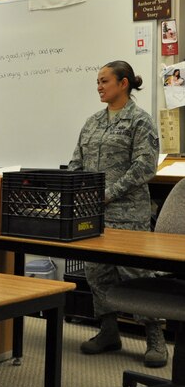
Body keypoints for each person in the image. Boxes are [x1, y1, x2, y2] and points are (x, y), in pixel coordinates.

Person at [69, 60, 165, 367]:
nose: (99, 86)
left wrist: (109, 193)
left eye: (104, 81)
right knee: (96, 272)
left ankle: (155, 337)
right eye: (97, 81)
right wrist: (73, 188)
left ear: (123, 83)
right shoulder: (92, 122)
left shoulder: (140, 121)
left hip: (129, 215)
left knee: (137, 275)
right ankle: (108, 331)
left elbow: (145, 167)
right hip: (93, 215)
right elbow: (76, 162)